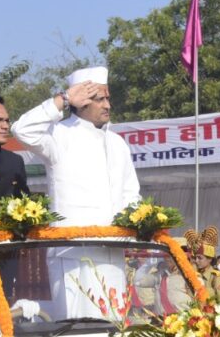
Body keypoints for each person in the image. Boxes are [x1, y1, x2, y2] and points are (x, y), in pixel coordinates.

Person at [11, 66, 139, 226]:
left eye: (108, 99)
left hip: (116, 244)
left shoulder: (117, 142)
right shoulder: (58, 135)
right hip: (71, 246)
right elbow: (21, 130)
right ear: (80, 103)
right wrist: (64, 98)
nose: (108, 106)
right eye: (100, 99)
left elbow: (131, 194)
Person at [186, 227, 220, 304]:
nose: (196, 261)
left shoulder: (216, 277)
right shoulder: (194, 275)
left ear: (210, 259)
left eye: (200, 258)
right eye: (195, 258)